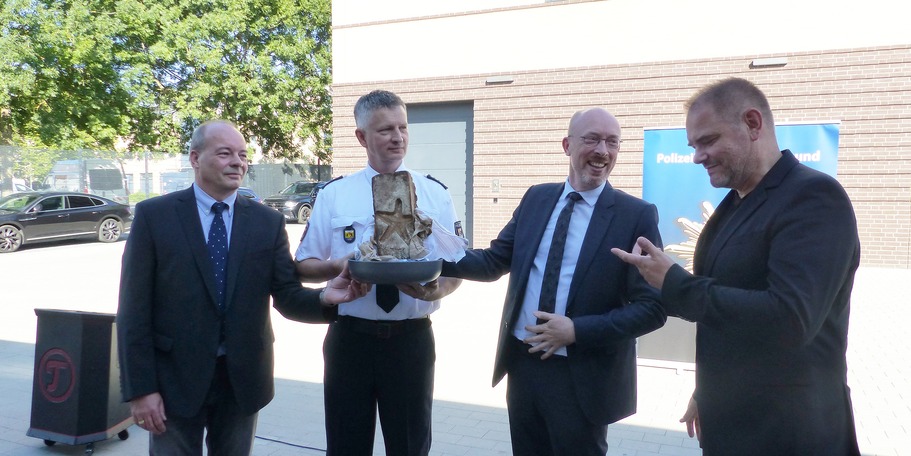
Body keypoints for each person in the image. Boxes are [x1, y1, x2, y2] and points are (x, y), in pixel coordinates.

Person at [612, 77, 862, 455]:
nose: (698, 156)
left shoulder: (814, 198)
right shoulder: (734, 205)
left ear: (753, 123)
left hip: (791, 434)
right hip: (732, 428)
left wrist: (676, 283)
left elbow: (790, 318)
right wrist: (706, 390)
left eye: (708, 141)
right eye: (694, 146)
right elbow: (728, 316)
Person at [116, 120, 367, 455]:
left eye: (243, 155)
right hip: (174, 381)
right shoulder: (154, 217)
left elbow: (288, 296)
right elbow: (133, 310)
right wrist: (140, 389)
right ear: (194, 158)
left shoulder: (267, 222)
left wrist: (325, 298)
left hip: (242, 381)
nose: (238, 162)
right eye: (225, 153)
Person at [440, 107, 666, 456]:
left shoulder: (634, 215)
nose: (603, 151)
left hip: (582, 376)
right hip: (523, 366)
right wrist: (426, 262)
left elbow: (652, 309)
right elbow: (491, 262)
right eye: (591, 139)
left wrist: (577, 330)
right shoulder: (537, 198)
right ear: (567, 145)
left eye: (612, 142)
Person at [295, 90, 463, 456]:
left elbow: (456, 268)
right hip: (350, 341)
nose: (398, 137)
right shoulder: (335, 195)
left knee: (409, 446)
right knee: (346, 445)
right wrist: (339, 266)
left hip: (410, 342)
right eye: (385, 129)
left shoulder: (435, 194)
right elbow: (304, 266)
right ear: (361, 137)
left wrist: (437, 291)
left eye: (403, 127)